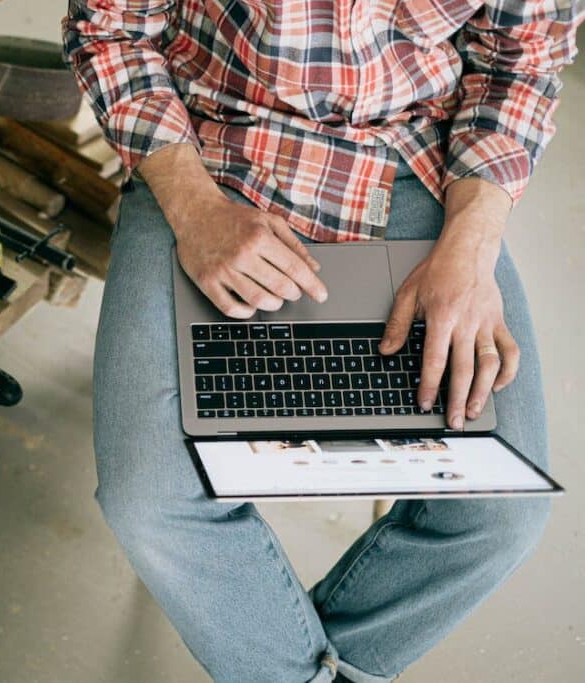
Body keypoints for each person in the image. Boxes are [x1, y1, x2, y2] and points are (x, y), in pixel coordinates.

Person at [62, 2, 582, 681]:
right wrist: (194, 209)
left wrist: (471, 246)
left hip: (419, 163)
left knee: (499, 510)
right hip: (210, 153)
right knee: (150, 499)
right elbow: (111, 30)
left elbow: (525, 54)